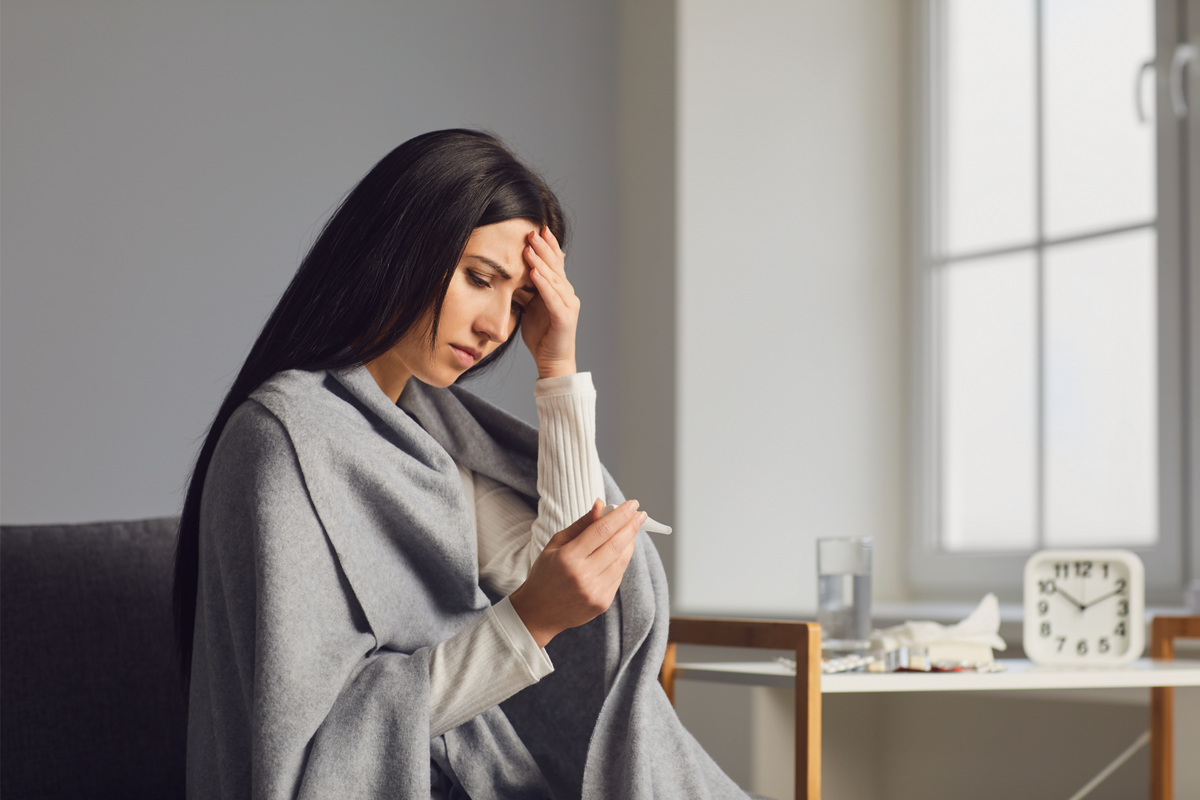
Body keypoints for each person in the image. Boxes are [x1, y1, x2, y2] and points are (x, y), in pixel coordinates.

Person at [174, 129, 754, 799]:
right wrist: (529, 619)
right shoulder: (283, 441)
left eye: (519, 303)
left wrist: (558, 365)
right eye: (480, 279)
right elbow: (312, 749)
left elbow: (574, 599)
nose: (495, 327)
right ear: (400, 247)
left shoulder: (432, 436)